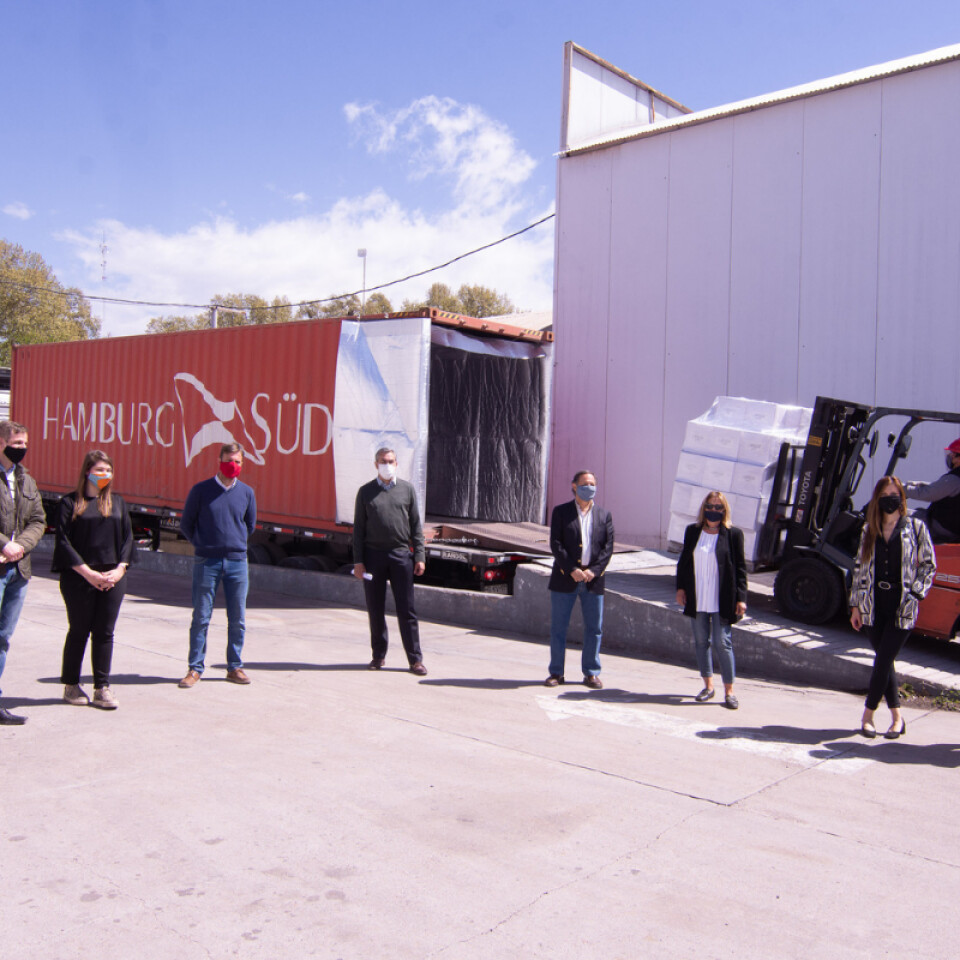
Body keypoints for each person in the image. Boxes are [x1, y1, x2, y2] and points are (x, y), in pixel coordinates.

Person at [849, 476, 935, 739]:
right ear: (877, 499)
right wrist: (855, 605)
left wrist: (916, 593)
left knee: (883, 660)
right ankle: (898, 719)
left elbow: (929, 565)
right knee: (885, 663)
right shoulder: (869, 529)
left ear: (902, 498)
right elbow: (859, 568)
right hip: (873, 604)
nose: (890, 499)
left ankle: (867, 715)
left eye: (894, 494)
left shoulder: (916, 527)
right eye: (885, 495)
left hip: (903, 605)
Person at [52, 451, 135, 710]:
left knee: (104, 632)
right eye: (99, 470)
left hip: (112, 578)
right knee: (79, 630)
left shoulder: (117, 503)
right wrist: (88, 573)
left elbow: (128, 539)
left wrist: (120, 569)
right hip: (79, 577)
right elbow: (63, 542)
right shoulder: (69, 503)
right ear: (87, 471)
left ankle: (102, 688)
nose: (104, 475)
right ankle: (71, 685)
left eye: (108, 470)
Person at [178, 443, 257, 688]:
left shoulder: (247, 493)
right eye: (229, 460)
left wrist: (234, 544)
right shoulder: (201, 490)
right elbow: (186, 524)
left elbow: (249, 525)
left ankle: (234, 667)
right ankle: (195, 668)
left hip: (237, 562)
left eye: (237, 461)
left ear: (243, 464)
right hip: (207, 562)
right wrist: (203, 544)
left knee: (238, 618)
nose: (233, 465)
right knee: (201, 617)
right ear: (219, 461)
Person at [353, 448, 427, 675]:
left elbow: (416, 526)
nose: (387, 465)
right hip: (373, 557)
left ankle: (415, 660)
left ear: (397, 463)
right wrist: (358, 561)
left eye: (391, 461)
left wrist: (420, 556)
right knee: (375, 609)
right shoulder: (366, 492)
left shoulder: (407, 490)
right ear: (376, 464)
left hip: (401, 556)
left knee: (407, 610)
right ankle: (378, 656)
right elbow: (358, 530)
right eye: (383, 461)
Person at [675, 491, 747, 709]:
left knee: (722, 642)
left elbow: (741, 568)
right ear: (703, 507)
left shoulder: (733, 534)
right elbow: (684, 562)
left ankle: (729, 691)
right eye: (710, 506)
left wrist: (741, 598)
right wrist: (680, 588)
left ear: (724, 510)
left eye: (718, 507)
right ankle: (708, 686)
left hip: (722, 597)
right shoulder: (693, 531)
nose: (713, 510)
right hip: (698, 595)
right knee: (700, 641)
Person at [544, 470, 615, 689]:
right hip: (565, 578)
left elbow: (608, 547)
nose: (589, 488)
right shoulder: (561, 512)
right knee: (559, 627)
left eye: (593, 484)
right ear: (574, 486)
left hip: (593, 580)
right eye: (585, 484)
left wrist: (594, 570)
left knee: (594, 628)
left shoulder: (604, 515)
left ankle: (591, 673)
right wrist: (571, 569)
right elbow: (556, 544)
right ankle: (556, 672)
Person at [0, 420, 47, 725]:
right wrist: (5, 544)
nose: (22, 448)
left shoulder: (26, 480)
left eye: (25, 444)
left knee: (3, 638)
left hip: (19, 569)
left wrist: (20, 547)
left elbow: (38, 520)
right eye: (17, 443)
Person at [903, 438, 960, 543]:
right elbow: (940, 488)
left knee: (899, 515)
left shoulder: (955, 478)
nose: (950, 457)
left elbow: (927, 494)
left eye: (953, 454)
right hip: (952, 528)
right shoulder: (954, 480)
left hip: (942, 527)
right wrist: (919, 484)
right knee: (918, 512)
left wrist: (899, 488)